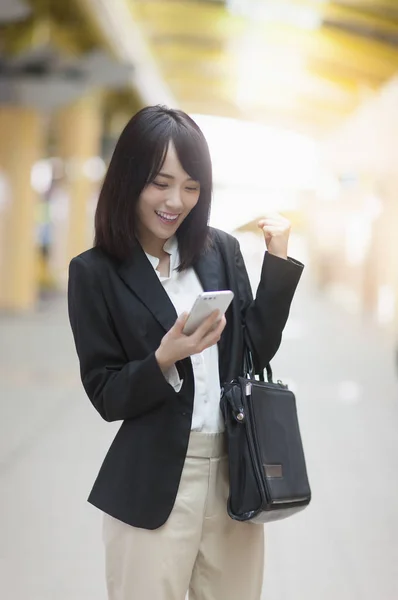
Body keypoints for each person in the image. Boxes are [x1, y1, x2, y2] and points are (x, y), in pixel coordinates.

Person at [67, 105, 304, 600]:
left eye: (192, 186)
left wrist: (278, 264)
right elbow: (106, 393)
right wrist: (163, 359)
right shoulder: (95, 273)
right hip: (154, 484)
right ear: (129, 179)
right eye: (161, 182)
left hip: (234, 477)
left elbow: (254, 349)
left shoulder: (219, 251)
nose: (177, 201)